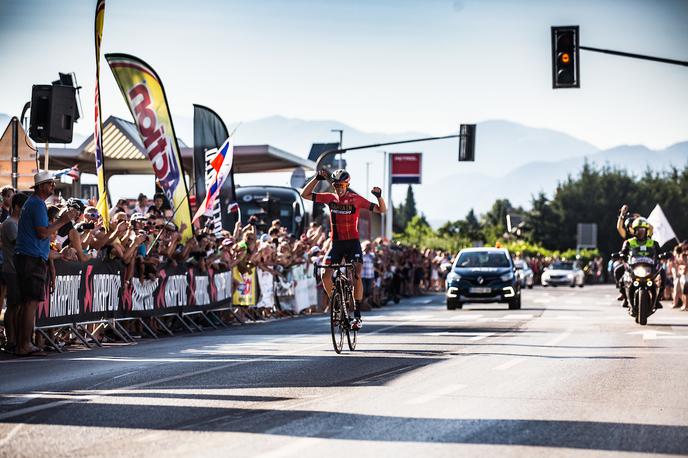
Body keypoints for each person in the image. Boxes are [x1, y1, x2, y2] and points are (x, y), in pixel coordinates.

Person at [300, 169, 387, 330]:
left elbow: (382, 210)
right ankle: (337, 303)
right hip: (336, 244)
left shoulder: (356, 199)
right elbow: (304, 195)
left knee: (356, 275)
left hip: (353, 243)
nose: (338, 188)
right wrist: (316, 179)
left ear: (347, 184)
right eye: (335, 185)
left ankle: (357, 316)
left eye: (341, 185)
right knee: (324, 274)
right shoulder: (330, 198)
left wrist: (379, 197)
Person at [14, 171, 78, 356]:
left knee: (27, 303)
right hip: (30, 260)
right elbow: (43, 233)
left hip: (29, 258)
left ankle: (22, 344)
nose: (53, 186)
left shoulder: (35, 203)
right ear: (41, 186)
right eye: (50, 183)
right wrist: (63, 220)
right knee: (30, 303)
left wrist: (60, 256)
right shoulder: (36, 204)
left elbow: (40, 241)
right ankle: (24, 344)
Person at [619, 217, 664, 314]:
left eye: (643, 230)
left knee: (662, 274)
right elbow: (623, 252)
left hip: (650, 267)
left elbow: (660, 253)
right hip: (634, 267)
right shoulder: (629, 242)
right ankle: (625, 298)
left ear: (647, 230)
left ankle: (658, 299)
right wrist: (621, 254)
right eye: (638, 230)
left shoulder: (653, 243)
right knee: (623, 278)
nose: (641, 232)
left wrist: (663, 255)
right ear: (634, 231)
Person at [1, 192, 28, 353]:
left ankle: (17, 338)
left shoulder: (19, 223)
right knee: (12, 306)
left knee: (19, 306)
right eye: (24, 207)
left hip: (20, 270)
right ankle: (10, 339)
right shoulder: (10, 223)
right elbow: (20, 244)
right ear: (17, 206)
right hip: (11, 269)